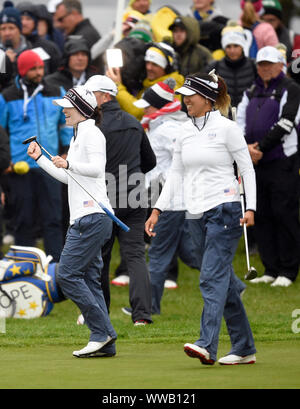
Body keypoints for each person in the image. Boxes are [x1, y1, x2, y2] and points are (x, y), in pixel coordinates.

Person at [145, 71, 257, 365]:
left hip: (225, 209)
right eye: (182, 95)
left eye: (190, 95)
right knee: (224, 282)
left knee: (210, 277)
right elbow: (176, 175)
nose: (185, 100)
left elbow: (246, 169)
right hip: (194, 213)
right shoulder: (183, 131)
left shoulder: (227, 128)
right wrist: (157, 209)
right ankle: (244, 347)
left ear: (207, 99)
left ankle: (206, 344)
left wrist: (251, 208)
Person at [27, 85, 117, 358]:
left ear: (81, 110)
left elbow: (97, 170)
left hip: (92, 216)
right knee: (89, 279)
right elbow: (70, 179)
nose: (63, 111)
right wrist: (41, 159)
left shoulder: (92, 133)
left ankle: (102, 332)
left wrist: (69, 164)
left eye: (67, 107)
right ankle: (104, 341)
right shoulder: (78, 136)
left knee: (66, 274)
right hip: (86, 217)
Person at [85, 75, 156, 326]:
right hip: (135, 196)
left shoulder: (92, 127)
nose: (87, 99)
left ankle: (100, 313)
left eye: (90, 94)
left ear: (105, 96)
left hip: (104, 198)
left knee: (99, 258)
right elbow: (150, 162)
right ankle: (142, 316)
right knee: (135, 256)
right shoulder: (133, 122)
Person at [133, 78, 200, 314]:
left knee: (159, 254)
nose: (144, 110)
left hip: (173, 202)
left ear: (159, 106)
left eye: (148, 106)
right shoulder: (160, 126)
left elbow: (182, 163)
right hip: (172, 200)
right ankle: (234, 285)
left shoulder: (168, 129)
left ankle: (147, 307)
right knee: (192, 253)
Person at [0, 49, 72, 262]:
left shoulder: (55, 90)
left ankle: (57, 267)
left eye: (40, 67)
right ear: (23, 70)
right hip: (20, 167)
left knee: (53, 218)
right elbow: (1, 131)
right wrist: (6, 159)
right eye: (33, 68)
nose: (39, 72)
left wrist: (67, 148)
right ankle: (25, 264)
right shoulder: (7, 96)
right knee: (24, 220)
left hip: (50, 165)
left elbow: (66, 122)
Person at [237, 46, 300, 287]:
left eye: (268, 64)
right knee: (261, 214)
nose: (264, 68)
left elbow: (287, 122)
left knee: (284, 214)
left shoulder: (290, 88)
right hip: (255, 162)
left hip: (282, 161)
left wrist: (259, 148)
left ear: (280, 65)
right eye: (261, 64)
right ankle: (270, 268)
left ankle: (288, 270)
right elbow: (239, 121)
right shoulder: (251, 89)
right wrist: (246, 149)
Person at [106, 41, 184, 120]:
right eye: (147, 62)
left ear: (166, 68)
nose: (149, 67)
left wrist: (118, 86)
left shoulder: (171, 88)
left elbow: (139, 112)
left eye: (155, 64)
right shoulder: (148, 83)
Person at [208, 21, 257, 108]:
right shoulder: (214, 67)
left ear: (242, 46)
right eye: (228, 46)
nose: (232, 50)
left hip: (248, 115)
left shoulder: (254, 66)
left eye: (236, 46)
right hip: (223, 117)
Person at [16, 2, 62, 74]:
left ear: (35, 22)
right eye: (21, 19)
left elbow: (57, 76)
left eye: (28, 19)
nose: (24, 23)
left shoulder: (49, 47)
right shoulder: (7, 47)